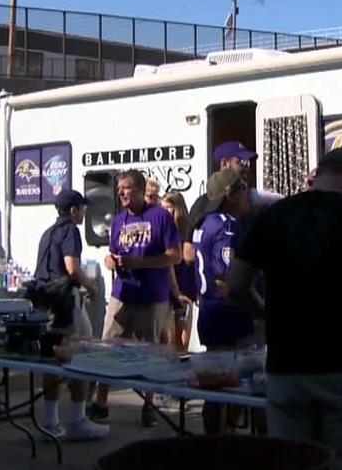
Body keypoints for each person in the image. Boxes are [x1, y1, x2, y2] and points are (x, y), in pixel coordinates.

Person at [227, 147, 342, 469]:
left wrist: (264, 313)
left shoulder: (272, 215)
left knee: (292, 461)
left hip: (286, 368)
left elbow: (236, 285)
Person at [88, 169, 182, 426]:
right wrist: (110, 261)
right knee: (107, 348)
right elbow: (113, 253)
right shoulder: (118, 221)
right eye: (119, 189)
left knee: (150, 353)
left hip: (151, 297)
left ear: (141, 189)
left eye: (127, 188)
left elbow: (175, 256)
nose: (121, 193)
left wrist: (141, 262)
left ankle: (149, 405)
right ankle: (100, 402)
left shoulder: (160, 217)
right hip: (122, 294)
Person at [34, 190, 110, 441]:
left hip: (45, 303)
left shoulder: (46, 233)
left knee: (52, 358)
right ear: (74, 210)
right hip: (66, 300)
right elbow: (72, 267)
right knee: (81, 354)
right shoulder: (71, 231)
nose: (85, 213)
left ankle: (50, 422)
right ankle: (78, 420)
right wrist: (91, 286)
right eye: (82, 208)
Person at [194, 170, 262, 434]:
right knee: (246, 387)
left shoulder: (202, 222)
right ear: (230, 194)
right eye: (243, 187)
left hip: (210, 314)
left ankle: (219, 444)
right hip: (229, 317)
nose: (248, 192)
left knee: (216, 389)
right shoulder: (226, 224)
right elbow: (227, 279)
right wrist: (258, 310)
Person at [187, 141, 257, 234]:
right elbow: (189, 247)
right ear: (224, 164)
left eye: (247, 163)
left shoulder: (251, 202)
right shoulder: (203, 204)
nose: (246, 168)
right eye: (240, 162)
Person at [158, 190, 197, 352]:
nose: (166, 212)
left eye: (169, 208)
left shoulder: (187, 231)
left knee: (183, 334)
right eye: (163, 208)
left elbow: (191, 258)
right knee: (169, 337)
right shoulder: (162, 231)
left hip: (186, 284)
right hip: (169, 289)